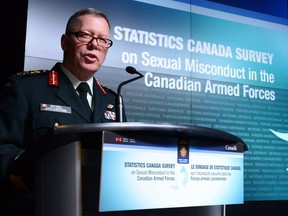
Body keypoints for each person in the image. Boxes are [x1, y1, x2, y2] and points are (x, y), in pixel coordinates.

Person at [0, 7, 124, 215]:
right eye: (85, 35)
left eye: (103, 39)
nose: (95, 44)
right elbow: (3, 148)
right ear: (65, 42)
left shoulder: (112, 100)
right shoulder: (26, 88)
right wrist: (38, 173)